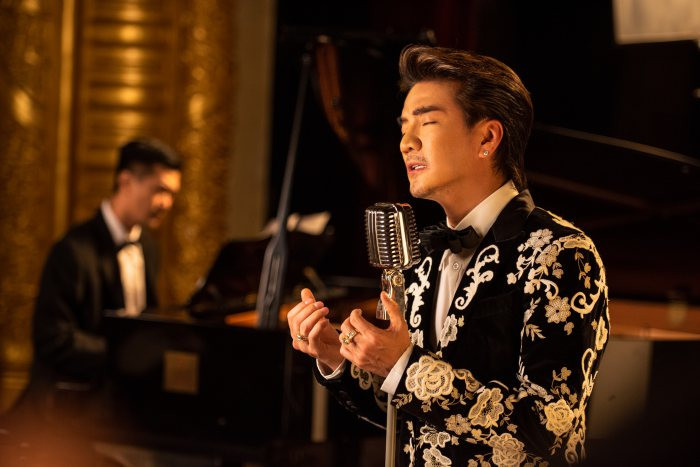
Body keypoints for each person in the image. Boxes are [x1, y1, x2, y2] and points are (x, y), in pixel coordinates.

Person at [287, 45, 609, 465]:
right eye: (403, 126)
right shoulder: (420, 259)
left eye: (427, 122)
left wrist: (404, 366)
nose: (406, 143)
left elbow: (551, 429)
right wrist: (336, 357)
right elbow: (412, 418)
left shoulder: (561, 253)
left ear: (487, 138)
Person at [19, 137, 182, 421]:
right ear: (125, 181)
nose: (167, 203)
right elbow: (53, 339)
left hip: (120, 406)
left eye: (172, 194)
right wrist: (124, 355)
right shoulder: (72, 250)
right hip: (66, 410)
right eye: (160, 190)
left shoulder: (149, 248)